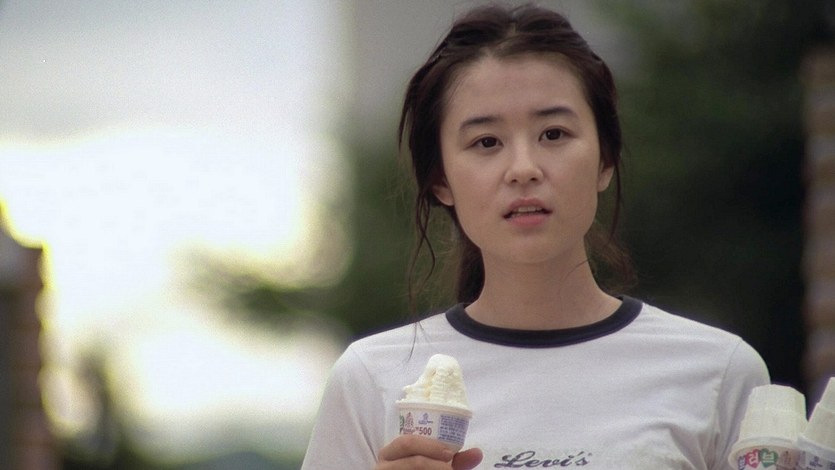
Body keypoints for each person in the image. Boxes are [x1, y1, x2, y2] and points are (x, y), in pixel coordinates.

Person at [301, 4, 769, 469]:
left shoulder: (719, 374)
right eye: (487, 142)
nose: (523, 169)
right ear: (440, 178)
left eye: (554, 134)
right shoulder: (371, 379)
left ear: (605, 160)